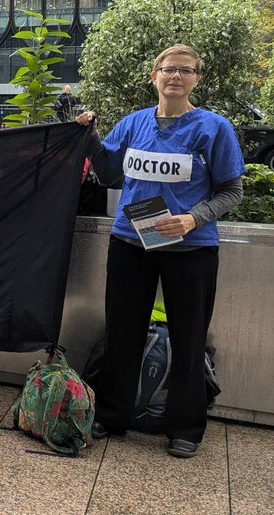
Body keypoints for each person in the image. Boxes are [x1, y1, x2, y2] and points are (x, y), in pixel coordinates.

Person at [76, 44, 245, 459]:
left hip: (190, 249)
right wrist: (90, 136)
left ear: (196, 79)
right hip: (131, 243)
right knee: (122, 332)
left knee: (188, 339)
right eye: (169, 70)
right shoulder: (134, 124)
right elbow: (110, 174)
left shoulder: (213, 128)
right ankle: (113, 415)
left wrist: (193, 218)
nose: (176, 76)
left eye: (185, 71)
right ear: (154, 77)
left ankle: (184, 427)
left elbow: (232, 191)